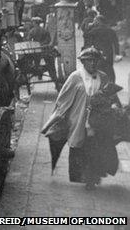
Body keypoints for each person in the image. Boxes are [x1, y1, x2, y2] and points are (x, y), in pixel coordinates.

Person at [41, 48, 121, 189]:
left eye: (95, 61)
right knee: (80, 146)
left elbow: (112, 97)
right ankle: (83, 175)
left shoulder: (103, 77)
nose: (93, 63)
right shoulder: (75, 77)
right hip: (78, 119)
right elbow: (63, 100)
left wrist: (114, 106)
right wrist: (55, 119)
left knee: (95, 148)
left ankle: (91, 178)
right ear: (83, 62)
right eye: (89, 60)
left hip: (97, 121)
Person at [83, 17, 118, 83]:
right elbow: (116, 42)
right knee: (109, 68)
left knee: (97, 68)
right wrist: (117, 53)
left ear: (98, 22)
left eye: (95, 21)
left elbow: (86, 37)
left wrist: (89, 27)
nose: (94, 22)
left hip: (97, 52)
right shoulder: (110, 30)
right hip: (108, 52)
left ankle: (98, 83)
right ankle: (111, 83)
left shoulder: (94, 31)